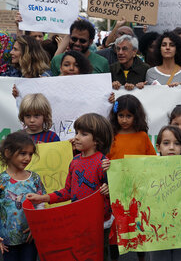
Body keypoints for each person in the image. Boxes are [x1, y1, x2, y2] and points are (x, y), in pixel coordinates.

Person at [26, 113, 113, 261]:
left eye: (83, 134)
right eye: (77, 132)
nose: (77, 137)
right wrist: (43, 198)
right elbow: (67, 192)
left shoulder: (104, 163)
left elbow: (116, 191)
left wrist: (109, 186)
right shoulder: (74, 162)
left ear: (97, 140)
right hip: (77, 222)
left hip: (98, 224)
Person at [104, 95, 155, 261]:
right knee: (116, 227)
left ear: (136, 116)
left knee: (139, 225)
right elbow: (104, 161)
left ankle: (141, 257)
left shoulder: (142, 136)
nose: (124, 120)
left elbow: (153, 161)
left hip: (138, 191)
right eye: (121, 115)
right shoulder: (111, 136)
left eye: (128, 116)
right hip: (115, 191)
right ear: (115, 115)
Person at [148, 125, 181, 261]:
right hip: (157, 230)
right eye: (166, 143)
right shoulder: (148, 170)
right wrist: (111, 169)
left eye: (177, 143)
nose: (172, 147)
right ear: (158, 147)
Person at [0, 131, 46, 261]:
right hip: (7, 240)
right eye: (23, 153)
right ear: (8, 153)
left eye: (30, 154)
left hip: (29, 238)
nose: (28, 158)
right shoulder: (1, 180)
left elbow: (40, 203)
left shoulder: (35, 178)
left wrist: (36, 226)